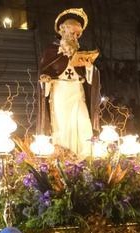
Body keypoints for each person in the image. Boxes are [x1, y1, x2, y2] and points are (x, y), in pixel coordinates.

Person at [38, 8, 101, 156]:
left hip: (77, 91)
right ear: (62, 31)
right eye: (72, 33)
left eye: (78, 35)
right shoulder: (51, 51)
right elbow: (43, 72)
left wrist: (89, 67)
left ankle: (84, 157)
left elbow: (91, 77)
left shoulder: (81, 50)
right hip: (60, 91)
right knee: (63, 125)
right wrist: (45, 80)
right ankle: (65, 157)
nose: (75, 37)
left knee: (83, 122)